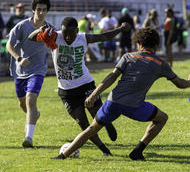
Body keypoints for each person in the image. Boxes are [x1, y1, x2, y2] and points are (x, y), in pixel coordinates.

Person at [51, 27, 190, 161]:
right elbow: (181, 84)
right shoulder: (161, 63)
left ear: (139, 43)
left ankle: (63, 155)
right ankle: (138, 151)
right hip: (134, 106)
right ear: (156, 45)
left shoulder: (128, 56)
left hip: (113, 102)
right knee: (162, 118)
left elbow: (111, 77)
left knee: (91, 129)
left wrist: (93, 95)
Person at [29, 17, 131, 156]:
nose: (68, 37)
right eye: (65, 34)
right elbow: (31, 38)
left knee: (98, 115)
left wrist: (120, 28)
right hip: (66, 92)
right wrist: (40, 31)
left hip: (85, 85)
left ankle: (107, 123)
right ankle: (105, 151)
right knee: (84, 124)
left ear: (77, 30)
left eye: (71, 34)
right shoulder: (55, 36)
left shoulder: (83, 38)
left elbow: (104, 36)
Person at [6, 0, 52, 148]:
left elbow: (54, 48)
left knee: (30, 100)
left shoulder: (49, 29)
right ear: (33, 10)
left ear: (47, 11)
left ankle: (28, 138)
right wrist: (19, 59)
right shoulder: (21, 26)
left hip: (38, 70)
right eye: (38, 9)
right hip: (20, 69)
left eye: (44, 10)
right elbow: (8, 45)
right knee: (22, 104)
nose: (41, 12)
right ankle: (34, 115)